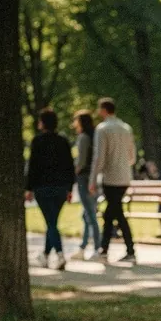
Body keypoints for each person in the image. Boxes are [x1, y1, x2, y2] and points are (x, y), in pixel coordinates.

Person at [25, 108, 75, 270]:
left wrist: (28, 188)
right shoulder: (63, 141)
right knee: (52, 221)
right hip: (60, 187)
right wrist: (69, 187)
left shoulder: (37, 141)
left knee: (51, 222)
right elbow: (69, 166)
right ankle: (46, 255)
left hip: (43, 187)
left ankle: (60, 254)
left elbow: (32, 166)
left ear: (43, 123)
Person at [89, 97, 136, 264]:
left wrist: (92, 179)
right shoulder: (126, 128)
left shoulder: (103, 129)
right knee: (111, 213)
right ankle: (105, 249)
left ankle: (127, 250)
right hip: (124, 176)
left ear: (103, 110)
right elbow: (132, 156)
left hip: (110, 177)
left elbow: (99, 157)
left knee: (115, 213)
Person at [73, 110, 100, 260]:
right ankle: (83, 246)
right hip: (94, 177)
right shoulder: (95, 136)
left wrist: (73, 173)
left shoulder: (83, 138)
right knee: (87, 214)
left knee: (90, 214)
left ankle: (97, 247)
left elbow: (80, 161)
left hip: (84, 177)